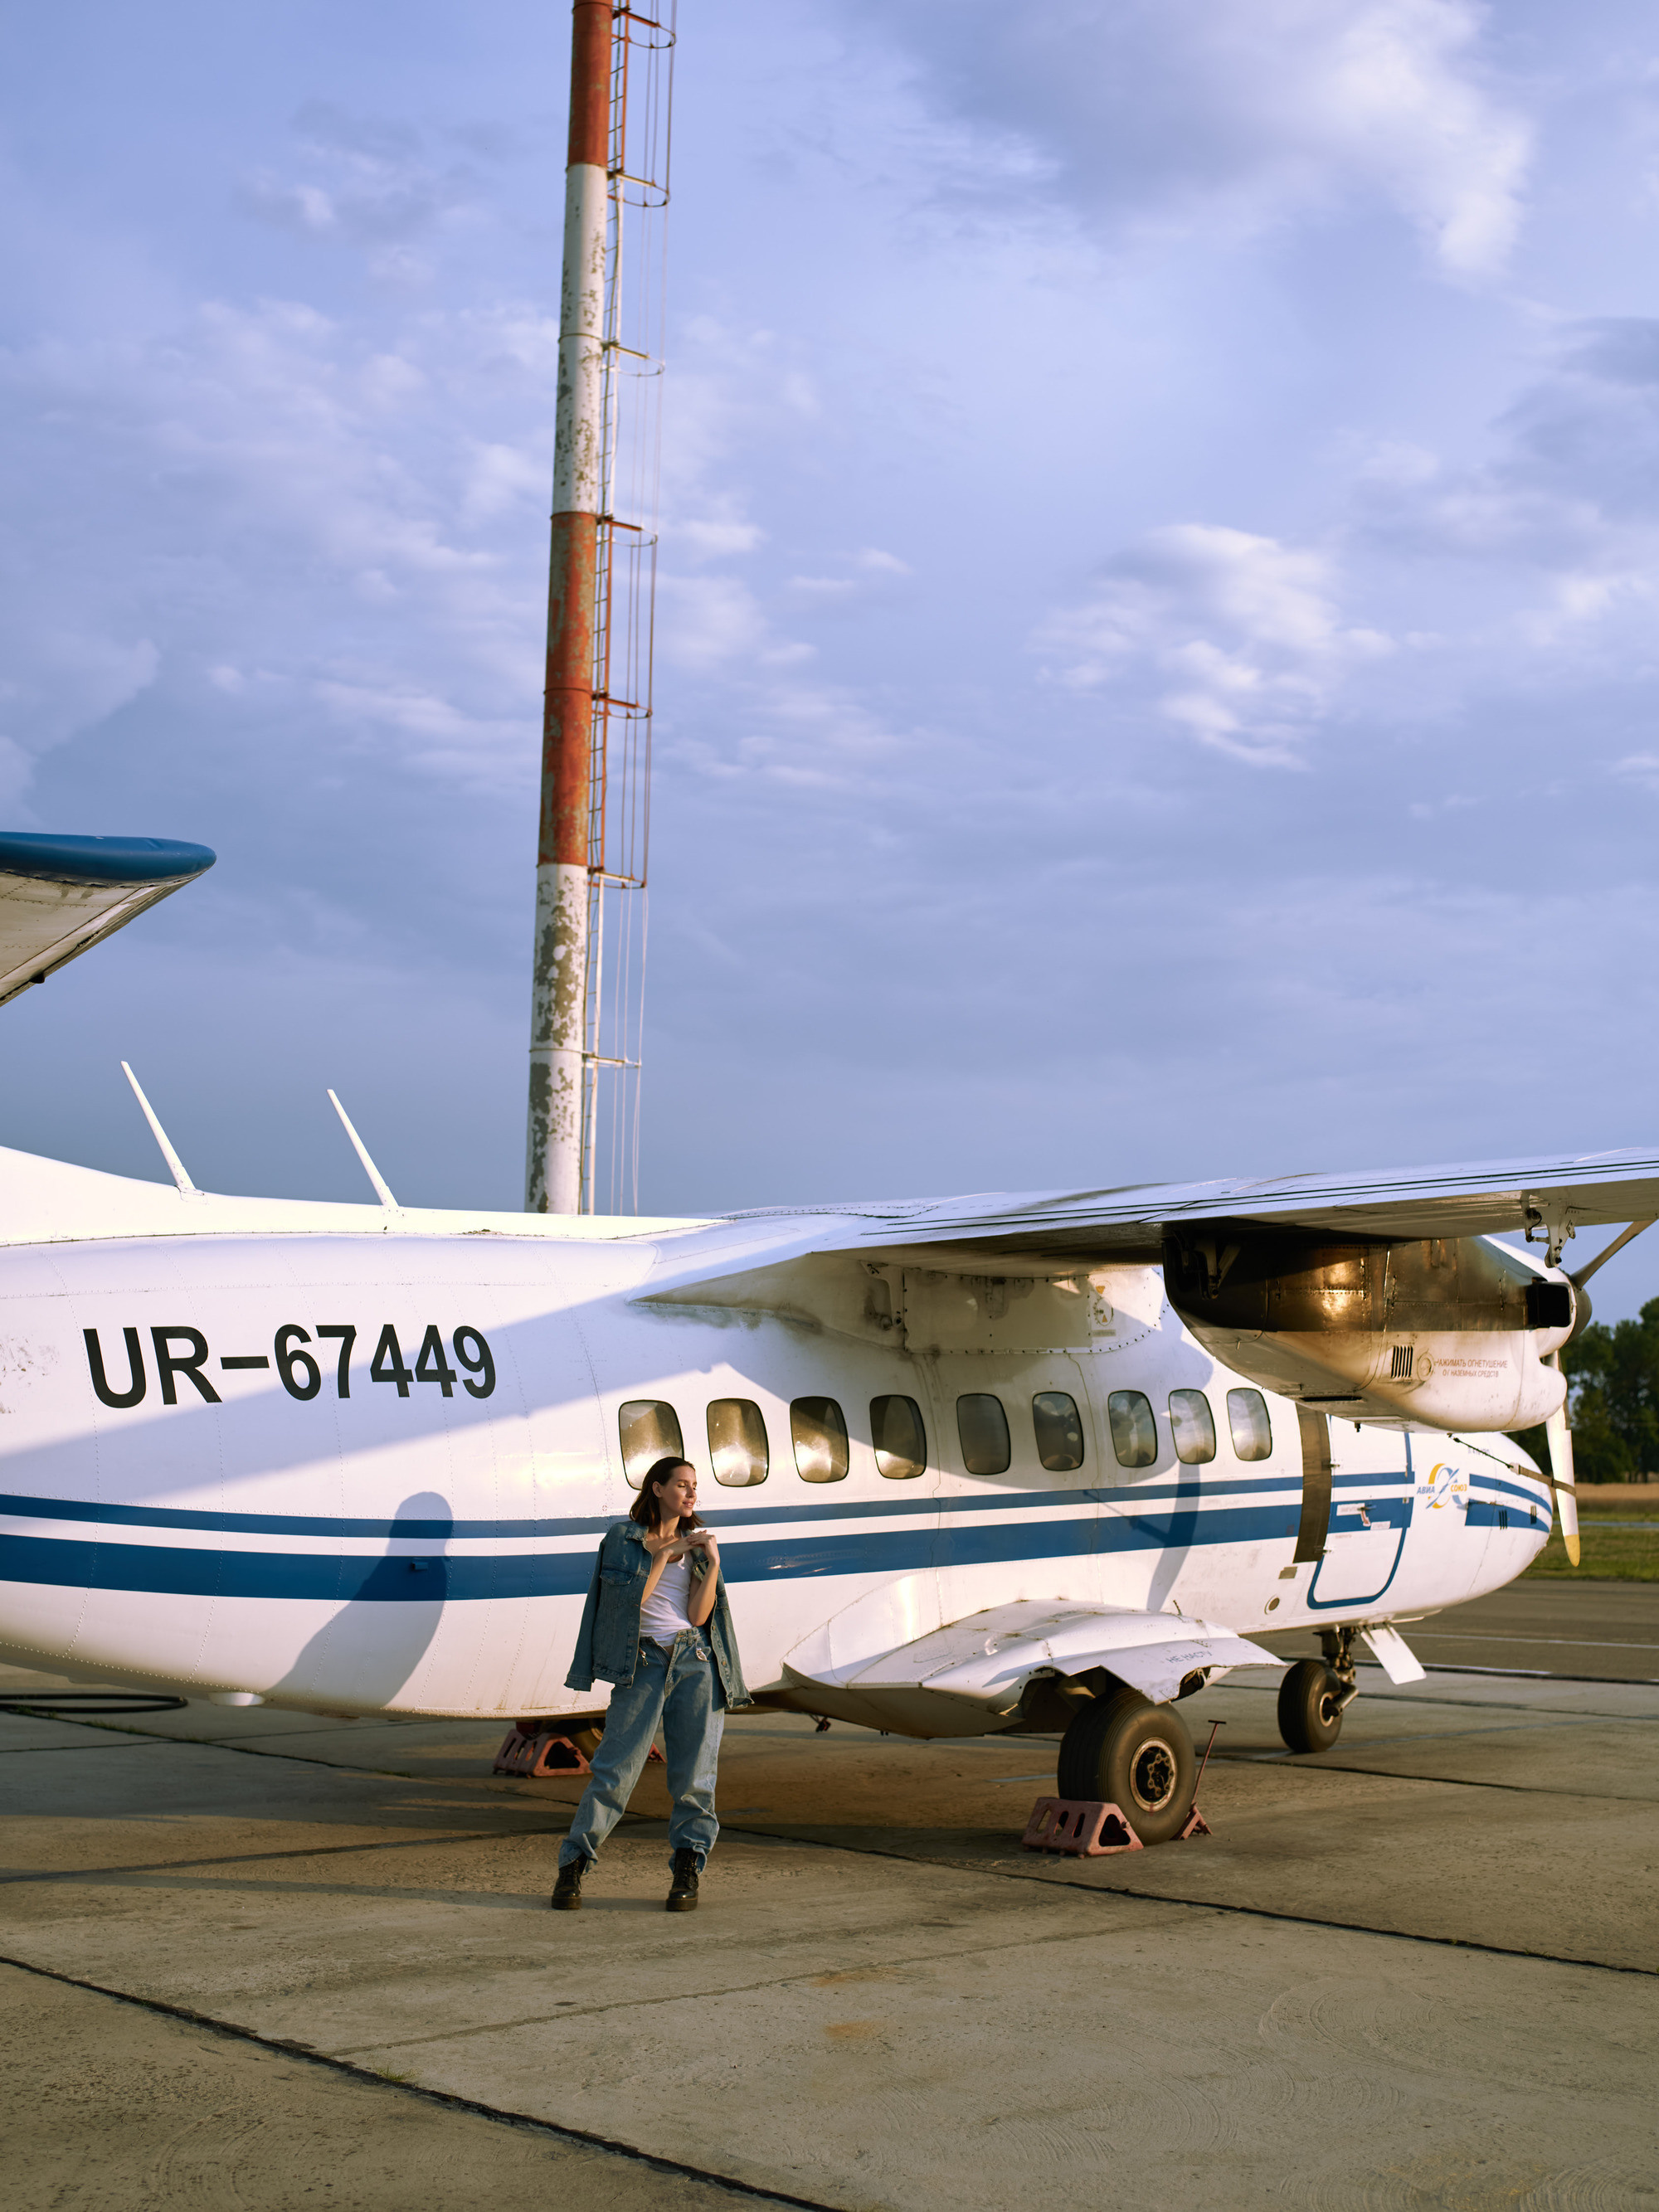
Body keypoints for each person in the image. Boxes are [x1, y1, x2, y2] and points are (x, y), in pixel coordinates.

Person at [552, 1456, 747, 1913]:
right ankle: (573, 1866)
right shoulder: (623, 1539)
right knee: (614, 1772)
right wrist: (661, 1559)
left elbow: (699, 1617)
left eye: (694, 1486)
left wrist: (712, 1563)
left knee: (695, 1777)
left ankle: (687, 1869)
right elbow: (624, 1607)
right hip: (642, 1662)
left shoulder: (699, 1545)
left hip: (695, 1659)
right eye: (681, 1484)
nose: (691, 1493)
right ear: (657, 1488)